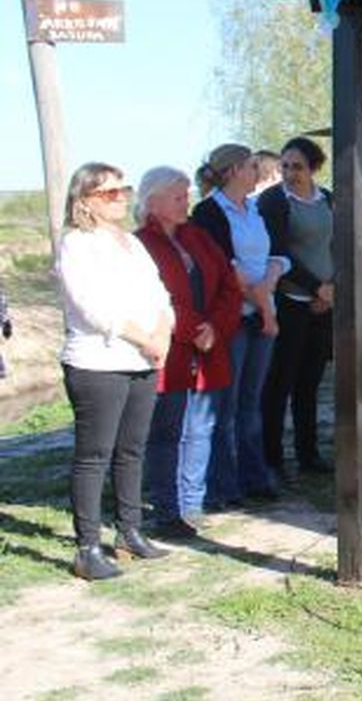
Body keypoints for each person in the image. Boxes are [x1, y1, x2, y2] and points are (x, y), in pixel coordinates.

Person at [55, 162, 174, 580]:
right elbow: (91, 306)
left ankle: (130, 531)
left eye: (123, 189)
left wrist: (162, 331)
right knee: (94, 455)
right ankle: (87, 547)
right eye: (109, 192)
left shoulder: (131, 242)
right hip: (98, 361)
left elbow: (160, 291)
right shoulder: (76, 244)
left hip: (142, 359)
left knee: (132, 449)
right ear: (84, 199)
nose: (121, 197)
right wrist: (141, 336)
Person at [134, 167, 242, 538]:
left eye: (186, 194)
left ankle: (192, 502)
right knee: (167, 432)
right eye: (178, 196)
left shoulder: (198, 236)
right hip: (171, 349)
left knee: (202, 426)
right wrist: (195, 329)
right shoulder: (140, 245)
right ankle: (167, 508)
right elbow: (154, 299)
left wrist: (216, 327)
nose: (186, 201)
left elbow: (230, 284)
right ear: (154, 200)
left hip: (209, 347)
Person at [191, 143, 286, 506]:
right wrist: (265, 307)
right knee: (224, 406)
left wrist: (268, 286)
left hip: (262, 313)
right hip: (235, 318)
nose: (256, 172)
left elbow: (277, 255)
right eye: (250, 166)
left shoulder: (255, 210)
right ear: (231, 170)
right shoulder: (209, 212)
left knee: (252, 401)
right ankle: (223, 485)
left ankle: (254, 476)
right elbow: (226, 268)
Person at [258, 137, 335, 477]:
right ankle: (272, 458)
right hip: (289, 299)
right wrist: (314, 286)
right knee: (279, 382)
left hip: (324, 303)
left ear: (314, 168)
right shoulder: (273, 200)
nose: (290, 173)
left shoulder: (329, 199)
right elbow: (277, 250)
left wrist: (330, 289)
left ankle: (309, 453)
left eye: (297, 167)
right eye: (285, 166)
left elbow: (340, 245)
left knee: (310, 381)